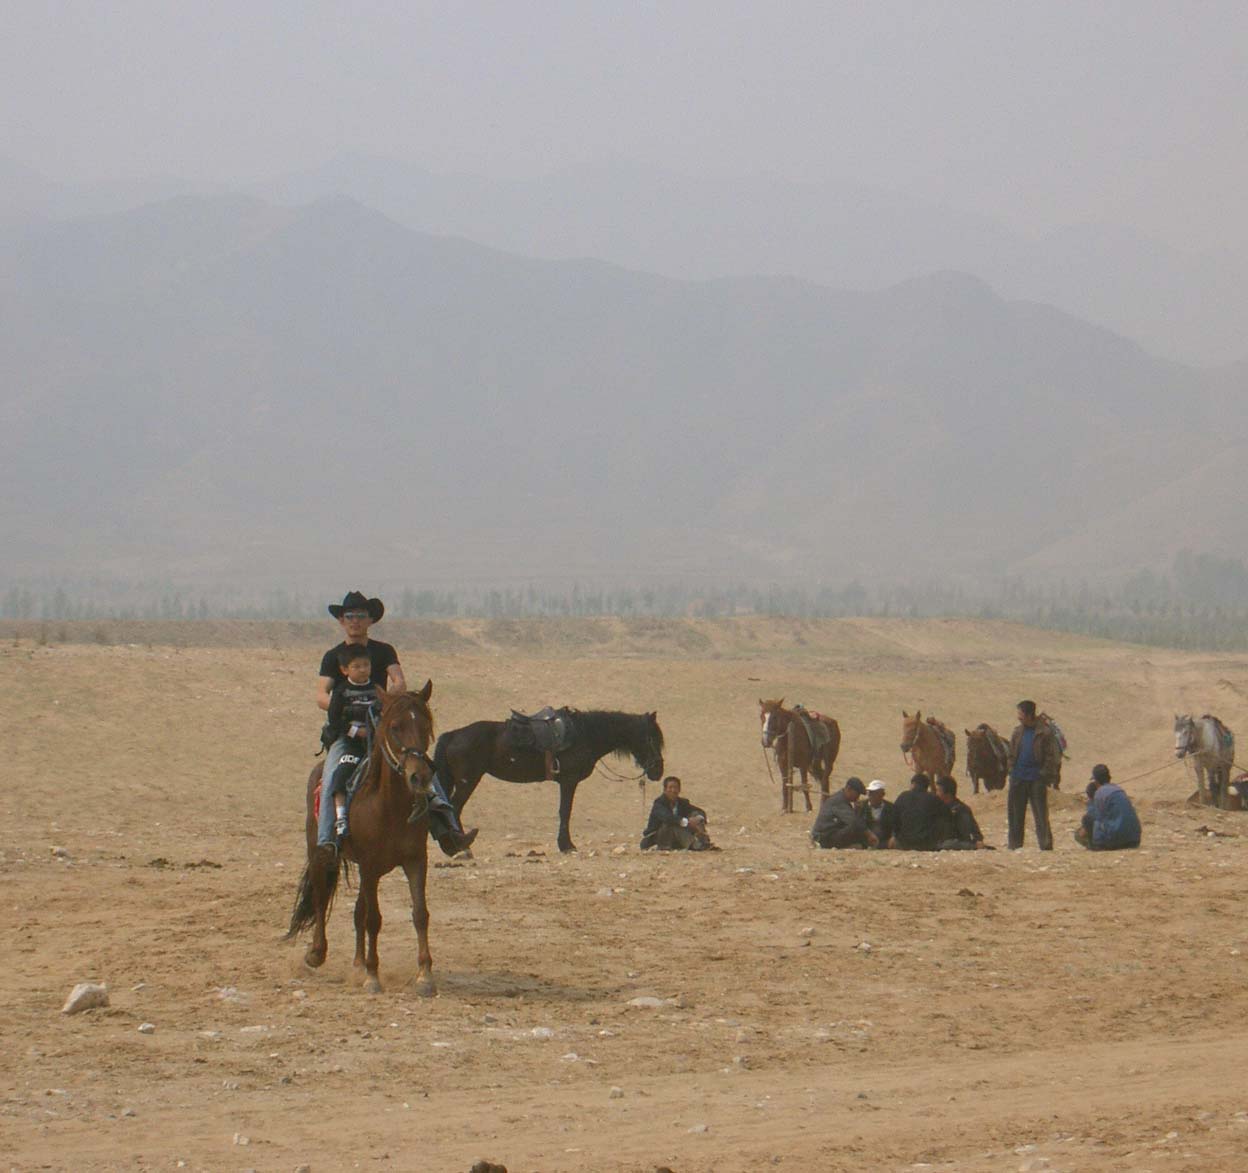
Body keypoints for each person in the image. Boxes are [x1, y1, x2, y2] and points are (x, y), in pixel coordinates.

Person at [315, 590, 476, 857]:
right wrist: (342, 707)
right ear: (342, 621)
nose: (355, 621)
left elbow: (398, 680)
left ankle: (449, 832)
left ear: (370, 620)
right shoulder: (333, 657)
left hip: (384, 728)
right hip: (348, 730)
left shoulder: (383, 650)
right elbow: (321, 694)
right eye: (350, 616)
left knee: (422, 768)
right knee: (332, 775)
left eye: (361, 616)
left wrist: (388, 701)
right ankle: (326, 843)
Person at [319, 644, 381, 845]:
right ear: (345, 670)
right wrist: (356, 732)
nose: (363, 669)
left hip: (377, 741)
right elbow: (335, 719)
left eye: (366, 665)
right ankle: (339, 820)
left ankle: (440, 819)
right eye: (357, 666)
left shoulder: (378, 689)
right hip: (352, 743)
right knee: (340, 774)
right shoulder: (341, 691)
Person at [1006, 700, 1056, 850]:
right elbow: (1011, 753)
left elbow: (1050, 756)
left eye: (1020, 713)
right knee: (1015, 814)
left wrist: (1043, 774)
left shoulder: (1044, 733)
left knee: (1040, 814)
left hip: (1036, 779)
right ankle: (1015, 845)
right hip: (1018, 778)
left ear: (1028, 714)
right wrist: (1011, 770)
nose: (1018, 717)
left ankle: (1045, 844)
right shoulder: (1017, 732)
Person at [1075, 764, 1141, 851]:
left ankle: (1095, 846)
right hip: (1134, 840)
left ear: (1096, 781)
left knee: (1086, 820)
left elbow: (1096, 818)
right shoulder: (1118, 789)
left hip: (1117, 840)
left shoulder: (1100, 793)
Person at [640, 776, 716, 850]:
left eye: (675, 787)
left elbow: (700, 811)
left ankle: (703, 841)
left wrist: (698, 819)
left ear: (679, 790)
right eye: (670, 787)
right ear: (665, 790)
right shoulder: (659, 803)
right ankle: (695, 845)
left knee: (696, 815)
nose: (673, 790)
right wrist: (688, 822)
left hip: (675, 838)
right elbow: (668, 818)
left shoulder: (682, 803)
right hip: (659, 838)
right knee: (674, 824)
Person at [811, 777, 877, 849]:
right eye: (857, 794)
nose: (858, 797)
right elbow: (853, 821)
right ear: (849, 789)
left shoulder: (842, 799)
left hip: (830, 833)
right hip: (824, 838)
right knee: (856, 826)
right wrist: (869, 834)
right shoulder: (838, 801)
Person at [890, 774, 948, 850]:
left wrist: (895, 836)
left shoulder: (903, 796)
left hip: (904, 843)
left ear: (913, 784)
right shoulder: (934, 799)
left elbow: (893, 819)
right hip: (927, 844)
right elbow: (946, 818)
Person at [934, 775, 989, 850]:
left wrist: (977, 841)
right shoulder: (938, 807)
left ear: (948, 794)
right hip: (945, 841)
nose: (936, 793)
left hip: (957, 841)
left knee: (948, 844)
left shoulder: (961, 809)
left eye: (938, 790)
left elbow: (973, 832)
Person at [860, 779, 898, 849]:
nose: (871, 796)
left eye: (875, 793)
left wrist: (893, 837)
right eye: (870, 793)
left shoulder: (891, 808)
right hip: (865, 842)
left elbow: (896, 825)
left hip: (885, 842)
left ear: (882, 794)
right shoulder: (861, 807)